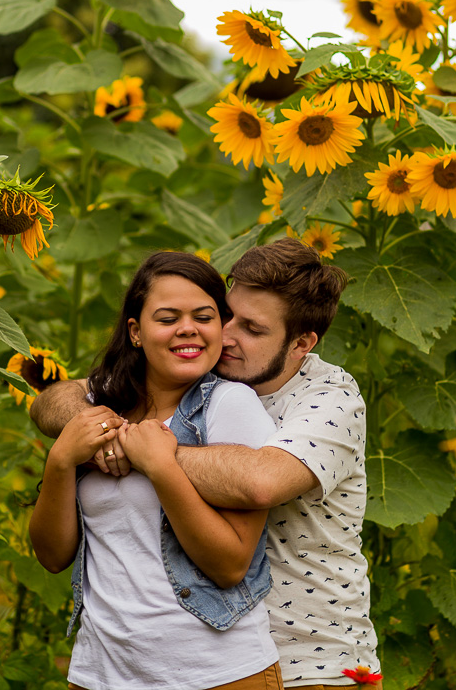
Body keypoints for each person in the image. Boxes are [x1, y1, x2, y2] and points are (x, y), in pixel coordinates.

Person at [33, 239, 380, 689]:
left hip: (313, 654)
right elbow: (57, 399)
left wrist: (143, 449)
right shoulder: (194, 378)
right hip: (156, 657)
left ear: (301, 343)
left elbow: (259, 482)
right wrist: (81, 438)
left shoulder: (329, 399)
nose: (227, 335)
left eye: (253, 329)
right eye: (227, 315)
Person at [28, 251, 284, 690]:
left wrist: (162, 467)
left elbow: (229, 566)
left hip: (216, 673)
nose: (188, 328)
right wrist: (61, 460)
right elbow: (52, 557)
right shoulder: (101, 406)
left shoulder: (228, 405)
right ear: (135, 332)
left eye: (204, 316)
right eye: (168, 318)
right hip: (100, 673)